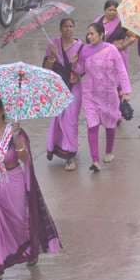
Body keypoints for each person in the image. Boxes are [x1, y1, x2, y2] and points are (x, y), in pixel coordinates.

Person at [0, 95, 62, 280]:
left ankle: (30, 249)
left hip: (12, 184)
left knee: (18, 223)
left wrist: (15, 137)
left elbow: (24, 157)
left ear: (2, 111)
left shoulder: (13, 132)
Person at [75, 22, 133, 173]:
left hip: (108, 93)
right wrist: (75, 63)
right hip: (90, 93)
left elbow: (121, 70)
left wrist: (125, 91)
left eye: (92, 33)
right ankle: (95, 160)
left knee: (110, 123)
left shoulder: (111, 49)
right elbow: (80, 70)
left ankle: (109, 151)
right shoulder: (84, 51)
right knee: (92, 125)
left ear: (101, 34)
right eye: (88, 34)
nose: (89, 36)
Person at [43, 18, 83, 171]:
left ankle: (70, 154)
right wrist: (52, 57)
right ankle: (61, 147)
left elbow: (83, 69)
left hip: (74, 87)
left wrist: (76, 67)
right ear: (60, 29)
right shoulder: (53, 44)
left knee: (70, 120)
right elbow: (46, 68)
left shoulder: (80, 47)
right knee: (58, 119)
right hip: (59, 87)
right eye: (65, 26)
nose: (68, 29)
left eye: (71, 26)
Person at [97, 0, 134, 75]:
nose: (112, 12)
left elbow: (133, 37)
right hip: (101, 56)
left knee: (119, 78)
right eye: (109, 10)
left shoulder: (122, 23)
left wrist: (123, 45)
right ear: (105, 10)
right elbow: (90, 36)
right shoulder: (98, 22)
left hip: (118, 55)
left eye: (114, 10)